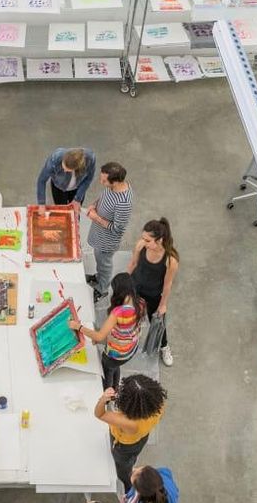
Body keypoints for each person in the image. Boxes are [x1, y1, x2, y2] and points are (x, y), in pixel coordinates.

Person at [70, 273, 144, 391]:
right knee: (114, 368)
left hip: (115, 354)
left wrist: (78, 327)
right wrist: (102, 338)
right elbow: (123, 331)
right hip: (130, 349)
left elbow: (99, 336)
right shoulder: (140, 303)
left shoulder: (118, 312)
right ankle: (116, 388)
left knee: (107, 375)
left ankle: (109, 395)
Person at [94, 375, 167, 493]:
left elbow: (100, 414)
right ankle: (131, 463)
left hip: (124, 447)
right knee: (132, 458)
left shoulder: (129, 423)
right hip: (141, 438)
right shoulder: (158, 404)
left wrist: (103, 399)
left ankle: (128, 484)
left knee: (123, 468)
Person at [127, 218, 180, 367]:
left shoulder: (170, 260)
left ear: (159, 240)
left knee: (157, 322)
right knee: (130, 315)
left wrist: (163, 305)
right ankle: (130, 339)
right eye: (143, 238)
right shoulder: (141, 246)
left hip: (153, 294)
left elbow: (167, 284)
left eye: (148, 240)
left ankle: (164, 346)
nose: (143, 242)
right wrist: (125, 283)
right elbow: (133, 263)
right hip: (136, 287)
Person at [84, 162, 133, 301]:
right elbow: (103, 196)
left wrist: (96, 217)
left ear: (116, 182)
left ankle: (102, 288)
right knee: (99, 261)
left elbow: (117, 229)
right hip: (99, 234)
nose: (101, 182)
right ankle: (98, 278)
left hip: (106, 242)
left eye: (104, 180)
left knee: (104, 264)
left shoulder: (124, 203)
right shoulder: (113, 188)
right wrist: (95, 204)